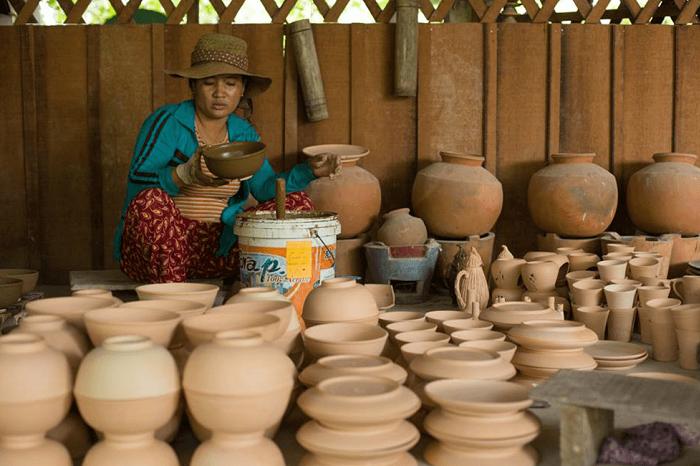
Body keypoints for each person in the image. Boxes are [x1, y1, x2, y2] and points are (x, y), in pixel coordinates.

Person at [113, 33, 341, 283]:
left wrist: (309, 171)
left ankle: (287, 290)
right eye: (209, 83)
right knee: (151, 201)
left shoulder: (243, 132)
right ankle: (174, 298)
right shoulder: (168, 121)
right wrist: (183, 174)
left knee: (297, 204)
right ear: (193, 86)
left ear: (242, 89)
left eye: (230, 84)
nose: (220, 93)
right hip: (161, 251)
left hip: (220, 250)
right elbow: (138, 178)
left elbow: (265, 190)